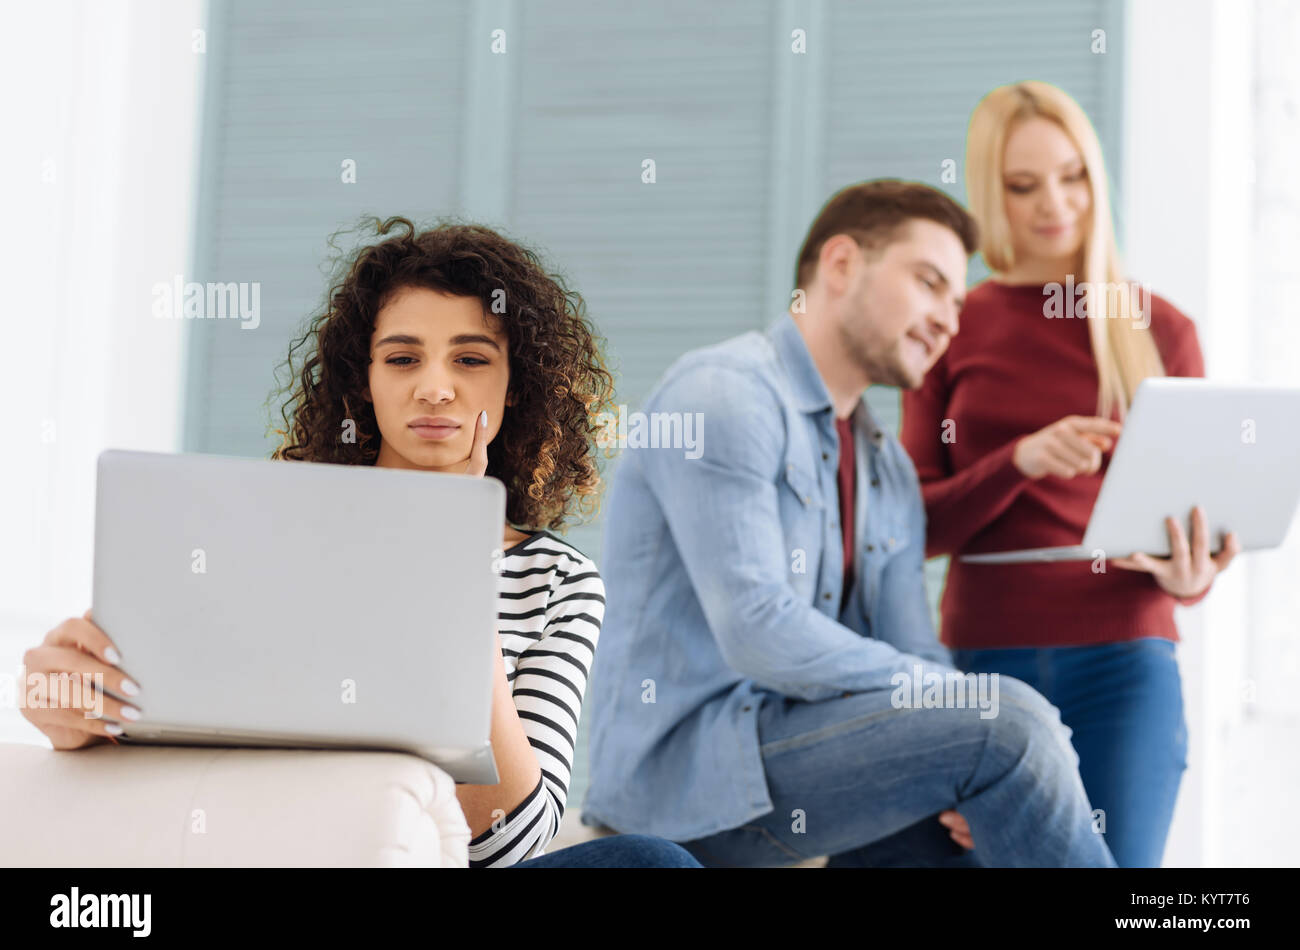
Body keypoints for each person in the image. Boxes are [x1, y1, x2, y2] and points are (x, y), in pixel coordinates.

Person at [20, 216, 700, 869]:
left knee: (650, 861)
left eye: (470, 358)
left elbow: (505, 844)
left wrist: (455, 563)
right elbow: (142, 712)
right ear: (365, 380)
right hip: (281, 849)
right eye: (402, 357)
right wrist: (65, 707)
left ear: (515, 385)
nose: (435, 387)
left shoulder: (558, 580)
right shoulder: (256, 526)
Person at [581, 180, 1115, 867]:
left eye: (957, 302)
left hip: (803, 763)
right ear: (840, 265)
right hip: (687, 780)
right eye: (929, 283)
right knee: (1006, 726)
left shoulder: (886, 468)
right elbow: (758, 630)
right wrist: (987, 713)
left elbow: (914, 649)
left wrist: (961, 723)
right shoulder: (724, 394)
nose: (950, 321)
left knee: (971, 811)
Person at [900, 82, 1239, 868]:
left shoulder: (1162, 329)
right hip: (983, 668)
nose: (1055, 202)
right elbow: (911, 528)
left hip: (1126, 659)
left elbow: (1190, 547)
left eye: (1073, 175)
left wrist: (1193, 571)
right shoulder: (950, 325)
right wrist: (1015, 463)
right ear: (991, 193)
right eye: (1023, 185)